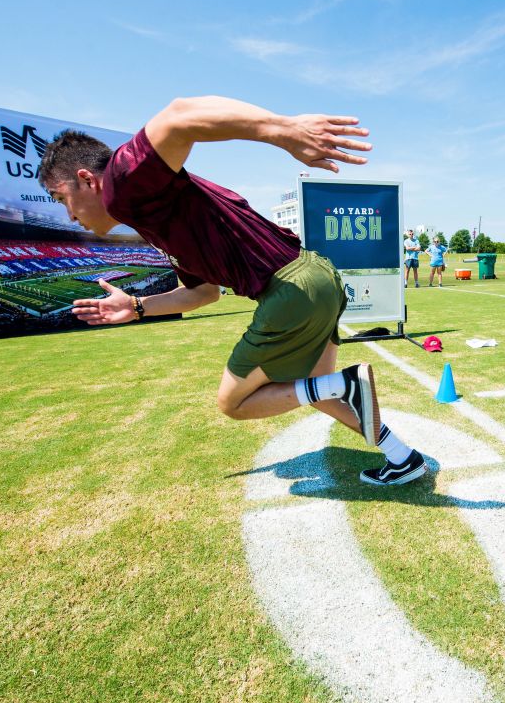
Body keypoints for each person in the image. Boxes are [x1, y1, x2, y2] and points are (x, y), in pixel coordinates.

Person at [38, 95, 426, 485]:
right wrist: (138, 306)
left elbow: (180, 115)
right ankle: (402, 455)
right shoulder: (156, 214)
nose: (68, 214)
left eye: (61, 198)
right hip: (316, 276)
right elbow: (202, 294)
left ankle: (344, 383)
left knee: (234, 402)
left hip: (290, 287)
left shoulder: (124, 186)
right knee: (314, 389)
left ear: (87, 180)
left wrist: (282, 129)